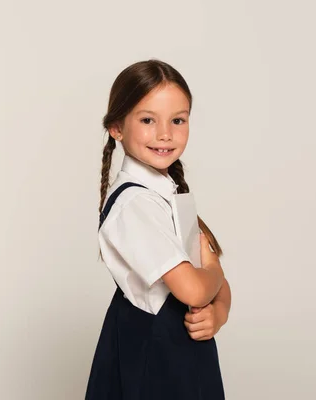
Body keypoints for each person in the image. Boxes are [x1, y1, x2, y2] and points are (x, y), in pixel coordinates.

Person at [85, 59, 232, 400]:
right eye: (148, 120)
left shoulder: (167, 193)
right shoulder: (135, 207)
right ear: (116, 127)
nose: (165, 133)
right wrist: (213, 269)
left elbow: (212, 292)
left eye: (177, 120)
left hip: (182, 349)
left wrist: (218, 313)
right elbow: (196, 290)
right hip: (156, 356)